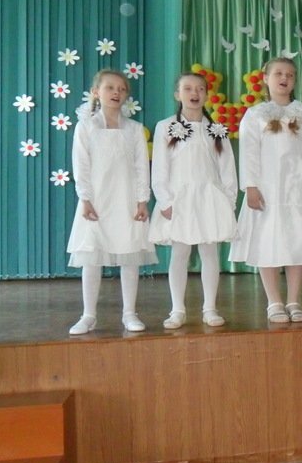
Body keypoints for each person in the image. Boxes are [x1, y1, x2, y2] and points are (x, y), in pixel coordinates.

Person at [229, 57, 302, 323]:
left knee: (299, 240)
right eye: (278, 73)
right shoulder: (255, 114)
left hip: (300, 188)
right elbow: (249, 153)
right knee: (268, 242)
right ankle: (274, 301)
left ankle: (294, 300)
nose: (284, 78)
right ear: (266, 78)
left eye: (290, 74)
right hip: (268, 189)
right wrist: (250, 187)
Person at [67, 69, 157, 334]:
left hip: (127, 199)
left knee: (129, 255)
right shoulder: (86, 127)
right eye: (110, 87)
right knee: (91, 257)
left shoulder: (134, 129)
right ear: (96, 92)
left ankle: (129, 313)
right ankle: (88, 315)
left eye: (122, 88)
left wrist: (142, 200)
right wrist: (85, 198)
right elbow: (81, 165)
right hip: (97, 200)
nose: (116, 92)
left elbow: (141, 166)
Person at [149, 73, 238, 329]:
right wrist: (165, 201)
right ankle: (177, 309)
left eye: (200, 88)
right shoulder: (165, 126)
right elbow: (160, 168)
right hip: (179, 199)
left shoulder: (216, 128)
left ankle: (210, 308)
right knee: (180, 252)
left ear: (207, 94)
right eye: (188, 88)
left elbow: (227, 168)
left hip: (210, 198)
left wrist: (229, 201)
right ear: (177, 94)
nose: (194, 93)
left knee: (210, 252)